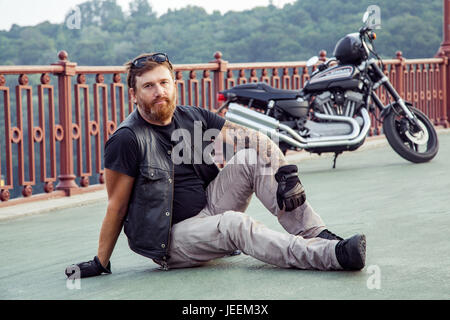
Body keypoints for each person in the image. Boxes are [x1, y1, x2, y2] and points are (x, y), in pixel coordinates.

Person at [65, 53, 366, 278]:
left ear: (174, 84)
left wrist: (286, 173)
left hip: (209, 207)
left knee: (251, 157)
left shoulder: (191, 116)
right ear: (134, 94)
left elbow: (252, 138)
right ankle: (330, 255)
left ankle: (317, 234)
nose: (159, 92)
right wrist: (100, 262)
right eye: (148, 86)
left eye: (164, 83)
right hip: (171, 240)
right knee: (235, 223)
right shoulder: (127, 140)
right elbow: (116, 207)